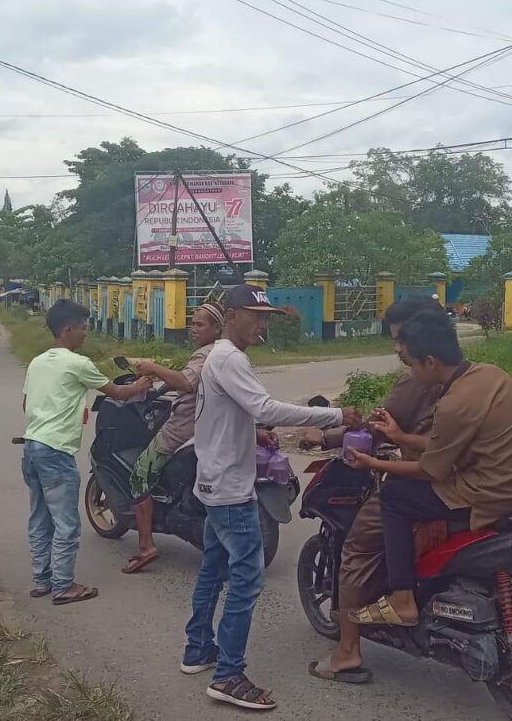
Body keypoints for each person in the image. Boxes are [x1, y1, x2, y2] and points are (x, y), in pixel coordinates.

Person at [183, 285, 361, 712]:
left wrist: (252, 431)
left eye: (265, 316)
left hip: (213, 479)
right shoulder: (230, 357)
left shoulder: (219, 357)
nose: (261, 323)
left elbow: (239, 413)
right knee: (247, 577)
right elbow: (265, 408)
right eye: (253, 315)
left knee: (213, 568)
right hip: (229, 488)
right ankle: (228, 675)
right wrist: (335, 414)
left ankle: (198, 650)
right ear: (230, 316)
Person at [347, 311, 512, 627]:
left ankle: (402, 599)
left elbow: (431, 471)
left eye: (411, 364)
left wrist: (375, 463)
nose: (410, 372)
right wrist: (401, 437)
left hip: (491, 496)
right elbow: (452, 443)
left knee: (394, 496)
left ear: (430, 362)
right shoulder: (491, 376)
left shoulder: (452, 403)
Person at [305, 296, 445, 685]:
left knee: (357, 546)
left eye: (402, 339)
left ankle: (347, 651)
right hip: (474, 484)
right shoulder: (470, 373)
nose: (398, 348)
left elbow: (374, 427)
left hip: (422, 478)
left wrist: (326, 437)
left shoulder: (416, 379)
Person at [21, 299, 152, 604]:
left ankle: (42, 580)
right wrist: (143, 382)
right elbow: (118, 392)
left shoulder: (37, 362)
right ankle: (64, 585)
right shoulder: (78, 363)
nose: (85, 334)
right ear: (68, 329)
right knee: (66, 522)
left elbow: (27, 405)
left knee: (40, 518)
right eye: (83, 328)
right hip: (56, 453)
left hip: (31, 448)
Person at [122, 302, 225, 574]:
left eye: (199, 324)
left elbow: (187, 382)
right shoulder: (224, 353)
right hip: (210, 430)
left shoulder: (205, 355)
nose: (193, 329)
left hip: (183, 431)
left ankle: (146, 545)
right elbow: (184, 380)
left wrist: (152, 365)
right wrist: (160, 379)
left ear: (217, 328)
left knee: (139, 476)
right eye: (192, 323)